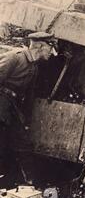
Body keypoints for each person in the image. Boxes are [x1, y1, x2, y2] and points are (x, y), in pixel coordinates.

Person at [0, 32, 57, 187]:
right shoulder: (15, 57)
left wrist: (26, 120)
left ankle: (30, 183)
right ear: (39, 46)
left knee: (23, 143)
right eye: (50, 48)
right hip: (2, 104)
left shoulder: (34, 68)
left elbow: (29, 97)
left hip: (13, 107)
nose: (52, 53)